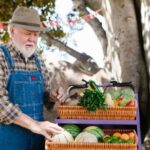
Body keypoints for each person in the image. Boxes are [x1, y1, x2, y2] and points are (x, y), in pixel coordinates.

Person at [0, 6, 67, 150]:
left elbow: (45, 100)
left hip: (36, 141)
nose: (32, 39)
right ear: (11, 30)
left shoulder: (39, 61)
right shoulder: (1, 57)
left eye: (36, 35)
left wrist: (52, 96)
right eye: (27, 33)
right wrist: (34, 125)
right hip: (7, 141)